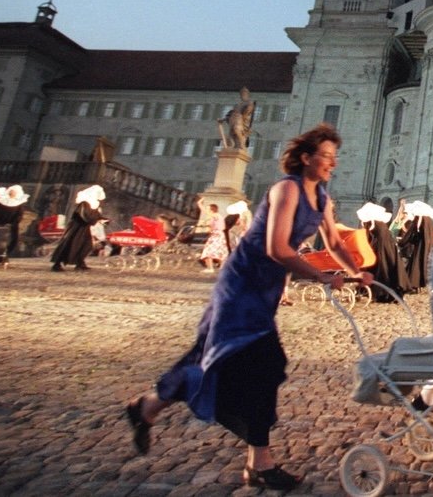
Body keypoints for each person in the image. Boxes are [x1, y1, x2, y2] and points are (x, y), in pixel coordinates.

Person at [123, 124, 371, 490]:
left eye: (335, 157)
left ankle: (147, 408)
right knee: (254, 364)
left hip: (264, 290)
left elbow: (333, 240)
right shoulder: (286, 189)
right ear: (306, 158)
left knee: (225, 360)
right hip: (241, 285)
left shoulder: (322, 197)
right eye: (327, 157)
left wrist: (357, 271)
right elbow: (277, 248)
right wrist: (321, 277)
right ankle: (259, 463)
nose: (333, 163)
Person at [51, 185, 105, 271]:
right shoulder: (84, 203)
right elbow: (85, 216)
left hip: (84, 228)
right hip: (76, 228)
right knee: (70, 244)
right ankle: (57, 264)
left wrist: (103, 219)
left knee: (86, 245)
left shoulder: (93, 204)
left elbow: (95, 215)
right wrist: (95, 220)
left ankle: (80, 262)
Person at [0, 184, 29, 262]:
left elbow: (19, 215)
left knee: (14, 240)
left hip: (12, 225)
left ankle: (5, 254)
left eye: (13, 192)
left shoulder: (19, 204)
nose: (12, 193)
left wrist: (13, 223)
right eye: (11, 191)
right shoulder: (1, 201)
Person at [197, 198, 228, 273]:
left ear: (212, 209)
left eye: (208, 209)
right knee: (220, 251)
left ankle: (210, 268)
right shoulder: (218, 216)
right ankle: (222, 267)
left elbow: (204, 212)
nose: (207, 210)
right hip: (219, 235)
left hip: (216, 235)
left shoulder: (215, 215)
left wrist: (199, 203)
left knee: (208, 251)